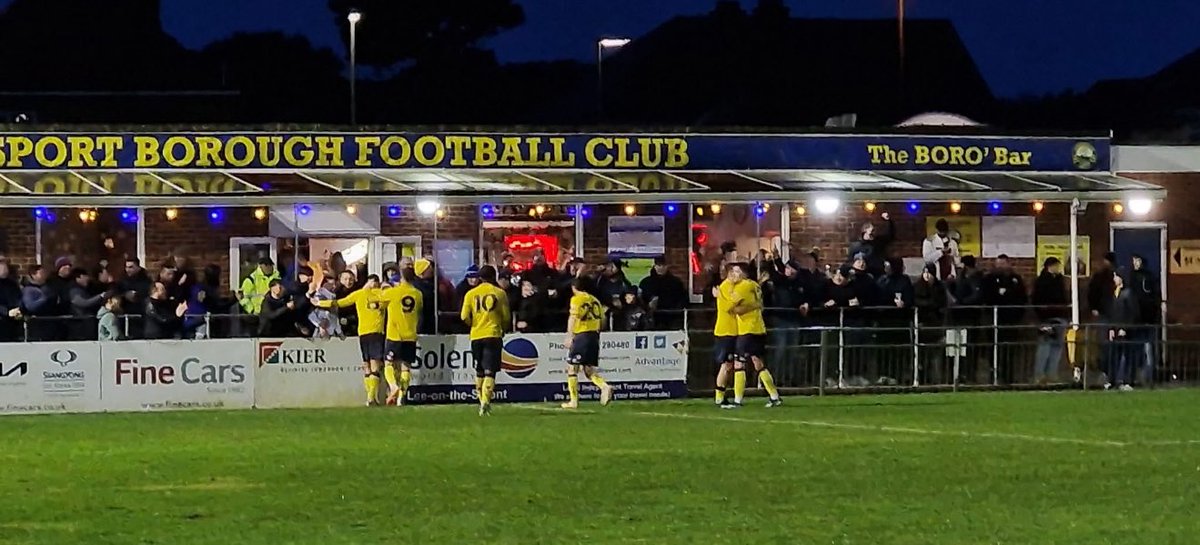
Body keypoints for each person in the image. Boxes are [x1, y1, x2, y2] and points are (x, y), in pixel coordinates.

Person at [315, 275, 387, 406]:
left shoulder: (359, 294)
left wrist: (320, 303)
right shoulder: (382, 294)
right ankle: (371, 397)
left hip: (364, 333)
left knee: (367, 365)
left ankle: (371, 397)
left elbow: (340, 302)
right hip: (375, 333)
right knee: (373, 364)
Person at [723, 262, 782, 408]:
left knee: (739, 363)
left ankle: (737, 400)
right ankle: (774, 396)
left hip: (747, 330)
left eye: (736, 271)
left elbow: (732, 308)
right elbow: (759, 304)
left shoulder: (742, 286)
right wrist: (754, 306)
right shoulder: (755, 285)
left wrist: (721, 296)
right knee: (758, 362)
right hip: (759, 328)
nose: (733, 274)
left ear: (743, 273)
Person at [460, 265, 511, 416]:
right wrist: (503, 327)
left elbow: (463, 316)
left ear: (480, 278)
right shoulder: (500, 293)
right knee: (490, 372)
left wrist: (473, 324)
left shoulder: (471, 294)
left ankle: (481, 401)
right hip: (493, 334)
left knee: (479, 370)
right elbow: (506, 316)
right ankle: (485, 402)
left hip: (476, 335)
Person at [561, 276, 615, 409]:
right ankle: (604, 386)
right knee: (588, 369)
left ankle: (573, 401)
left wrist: (569, 336)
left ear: (574, 287)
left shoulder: (577, 299)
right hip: (594, 335)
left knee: (572, 368)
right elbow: (603, 319)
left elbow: (573, 317)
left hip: (582, 335)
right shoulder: (595, 300)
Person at [379, 268, 424, 406]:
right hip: (410, 335)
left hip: (395, 335)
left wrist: (385, 287)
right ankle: (401, 397)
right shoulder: (417, 294)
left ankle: (393, 387)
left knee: (388, 363)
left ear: (401, 278)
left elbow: (379, 301)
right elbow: (419, 309)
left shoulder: (393, 292)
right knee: (406, 367)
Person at [983, 254, 1028, 384]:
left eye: (1003, 264)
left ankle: (1009, 377)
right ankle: (994, 376)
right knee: (994, 350)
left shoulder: (1015, 279)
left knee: (1009, 350)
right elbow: (987, 298)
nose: (1001, 266)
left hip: (1011, 320)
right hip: (994, 320)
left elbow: (1021, 298)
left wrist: (1017, 312)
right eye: (999, 264)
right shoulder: (989, 279)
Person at [1032, 257, 1069, 384]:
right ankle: (1040, 375)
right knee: (1045, 347)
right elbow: (1036, 300)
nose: (1058, 269)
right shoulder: (1042, 281)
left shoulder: (1060, 281)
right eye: (1056, 266)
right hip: (1046, 318)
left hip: (1060, 317)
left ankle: (1052, 374)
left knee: (1057, 348)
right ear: (1050, 266)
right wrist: (1041, 318)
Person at [913, 263, 949, 384]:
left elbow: (942, 303)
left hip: (936, 325)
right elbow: (916, 301)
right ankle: (922, 378)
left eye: (930, 273)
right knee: (922, 355)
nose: (927, 276)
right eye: (925, 272)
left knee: (936, 354)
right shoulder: (917, 287)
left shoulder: (939, 287)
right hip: (923, 325)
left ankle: (936, 379)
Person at [711, 263, 741, 407]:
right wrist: (735, 300)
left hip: (733, 331)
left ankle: (724, 395)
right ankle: (719, 396)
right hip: (726, 331)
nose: (738, 275)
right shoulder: (725, 287)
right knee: (726, 364)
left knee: (730, 365)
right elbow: (727, 307)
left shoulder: (733, 287)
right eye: (736, 272)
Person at [1108, 268, 1141, 391]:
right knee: (1114, 356)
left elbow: (1133, 313)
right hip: (1116, 329)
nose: (1114, 279)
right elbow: (1113, 312)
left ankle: (1128, 381)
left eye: (1116, 276)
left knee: (1128, 356)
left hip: (1126, 330)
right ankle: (1112, 380)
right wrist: (1111, 328)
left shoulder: (1129, 293)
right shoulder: (1115, 292)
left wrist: (1126, 327)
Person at [638, 256, 688, 329]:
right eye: (658, 265)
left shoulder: (676, 282)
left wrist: (676, 311)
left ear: (667, 266)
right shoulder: (645, 282)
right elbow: (640, 299)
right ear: (654, 266)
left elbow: (683, 298)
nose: (661, 268)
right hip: (650, 318)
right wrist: (647, 306)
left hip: (671, 318)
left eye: (663, 265)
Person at [847, 211, 895, 278]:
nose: (873, 233)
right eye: (871, 231)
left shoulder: (878, 242)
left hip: (878, 273)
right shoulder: (856, 245)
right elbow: (850, 260)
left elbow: (891, 235)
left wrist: (889, 221)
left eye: (874, 231)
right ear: (865, 231)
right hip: (862, 274)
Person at [21, 265, 58, 342]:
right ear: (33, 275)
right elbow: (30, 306)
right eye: (41, 273)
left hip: (51, 324)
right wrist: (45, 298)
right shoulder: (29, 290)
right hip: (37, 325)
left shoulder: (49, 287)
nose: (44, 275)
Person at [68, 268, 106, 341]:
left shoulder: (85, 289)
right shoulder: (74, 291)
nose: (87, 279)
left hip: (86, 324)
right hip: (80, 326)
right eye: (85, 276)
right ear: (79, 277)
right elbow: (83, 303)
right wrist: (100, 296)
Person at [0, 260, 22, 342]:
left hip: (12, 325)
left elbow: (17, 298)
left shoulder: (11, 284)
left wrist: (18, 310)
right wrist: (6, 312)